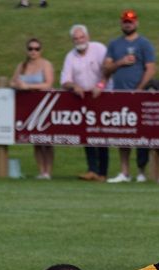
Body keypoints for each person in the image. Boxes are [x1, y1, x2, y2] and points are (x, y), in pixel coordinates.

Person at [103, 10, 156, 184]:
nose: (128, 24)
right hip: (119, 94)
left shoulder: (144, 44)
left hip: (139, 95)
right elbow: (106, 68)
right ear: (121, 23)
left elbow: (150, 68)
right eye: (125, 21)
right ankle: (124, 171)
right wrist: (121, 62)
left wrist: (139, 89)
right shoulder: (114, 44)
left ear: (136, 23)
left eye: (131, 21)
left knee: (142, 134)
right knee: (123, 134)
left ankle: (141, 171)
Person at [60, 24, 108, 182]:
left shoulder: (99, 49)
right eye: (76, 38)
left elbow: (108, 71)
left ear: (87, 37)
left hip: (103, 97)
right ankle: (92, 170)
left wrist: (100, 85)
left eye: (81, 37)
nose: (79, 40)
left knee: (103, 135)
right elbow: (65, 80)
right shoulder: (70, 56)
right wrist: (74, 86)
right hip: (84, 101)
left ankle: (102, 172)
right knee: (87, 135)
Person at [11, 38, 55, 180]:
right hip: (28, 108)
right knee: (35, 141)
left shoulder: (45, 64)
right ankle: (41, 171)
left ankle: (48, 171)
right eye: (30, 48)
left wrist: (28, 87)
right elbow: (13, 81)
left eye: (36, 49)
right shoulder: (22, 66)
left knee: (47, 141)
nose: (33, 51)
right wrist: (17, 85)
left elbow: (48, 84)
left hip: (44, 106)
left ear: (41, 50)